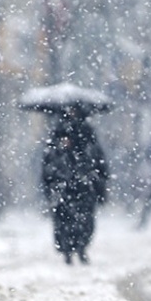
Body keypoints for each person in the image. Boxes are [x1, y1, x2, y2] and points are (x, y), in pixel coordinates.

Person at [41, 108, 109, 265]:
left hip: (83, 188)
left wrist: (96, 182)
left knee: (83, 222)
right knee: (64, 222)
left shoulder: (87, 137)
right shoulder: (57, 137)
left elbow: (98, 161)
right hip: (64, 189)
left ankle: (80, 248)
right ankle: (67, 250)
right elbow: (48, 166)